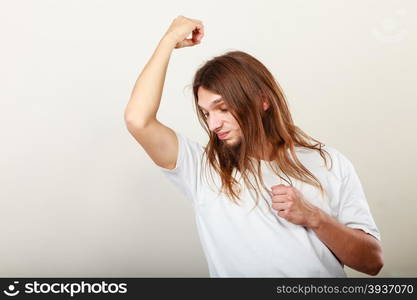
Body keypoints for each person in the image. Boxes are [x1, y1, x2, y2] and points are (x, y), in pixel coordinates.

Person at [124, 16, 383, 277]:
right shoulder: (202, 170)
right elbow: (138, 120)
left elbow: (372, 262)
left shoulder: (328, 162)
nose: (213, 124)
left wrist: (314, 217)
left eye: (222, 109)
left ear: (262, 101)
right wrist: (169, 40)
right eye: (206, 114)